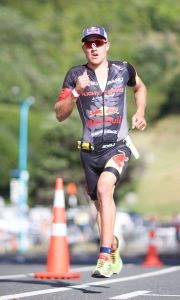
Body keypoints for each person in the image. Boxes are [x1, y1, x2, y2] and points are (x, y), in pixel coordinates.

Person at [55, 26, 147, 278]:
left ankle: (104, 256)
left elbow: (140, 88)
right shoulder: (75, 75)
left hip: (117, 146)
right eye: (88, 44)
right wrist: (75, 93)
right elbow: (60, 114)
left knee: (107, 189)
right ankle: (113, 246)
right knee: (101, 209)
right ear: (83, 48)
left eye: (98, 42)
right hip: (89, 152)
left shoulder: (123, 69)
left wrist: (139, 112)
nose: (93, 47)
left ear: (107, 45)